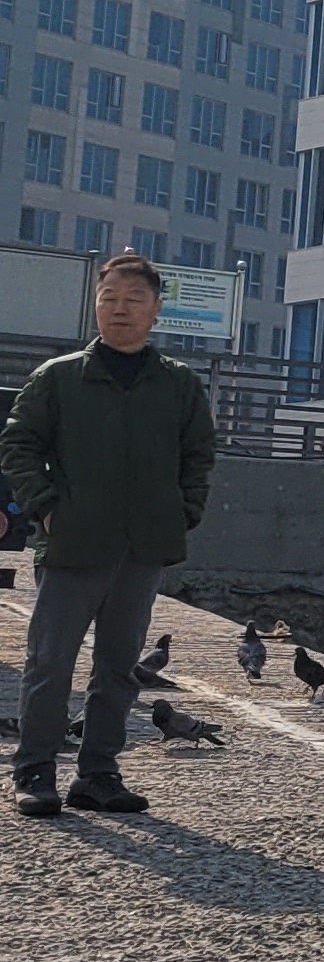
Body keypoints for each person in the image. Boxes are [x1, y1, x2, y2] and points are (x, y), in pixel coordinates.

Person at [3, 254, 218, 819]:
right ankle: (35, 769)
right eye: (109, 299)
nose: (119, 309)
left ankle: (98, 774)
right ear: (95, 306)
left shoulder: (178, 383)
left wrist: (185, 510)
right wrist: (45, 508)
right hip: (73, 542)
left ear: (156, 310)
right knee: (50, 662)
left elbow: (198, 454)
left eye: (133, 299)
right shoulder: (59, 377)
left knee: (119, 667)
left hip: (142, 546)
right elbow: (18, 443)